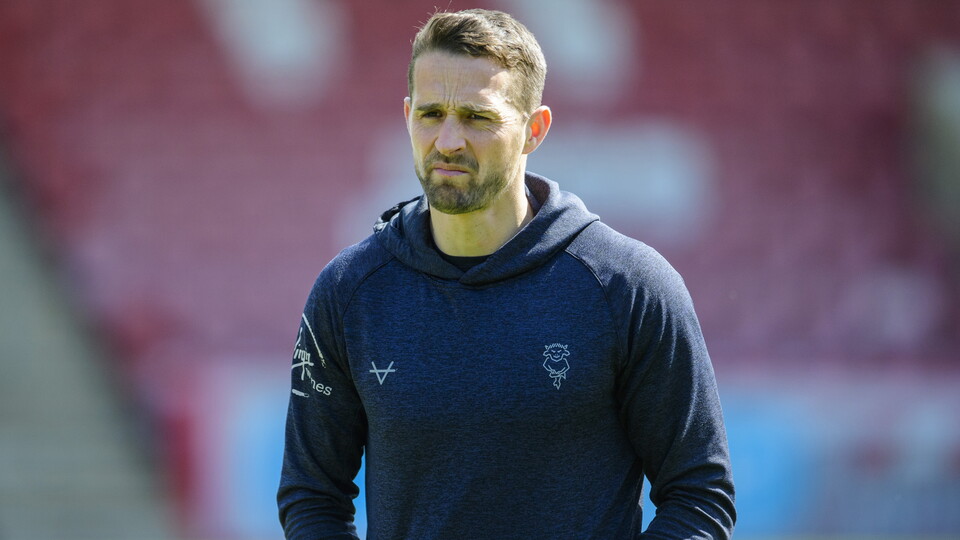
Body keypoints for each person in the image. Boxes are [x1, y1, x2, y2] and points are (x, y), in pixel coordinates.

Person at [278, 8, 735, 539]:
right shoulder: (348, 293)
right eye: (431, 114)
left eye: (477, 118)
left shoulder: (629, 287)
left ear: (534, 130)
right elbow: (312, 497)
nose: (448, 141)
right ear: (407, 117)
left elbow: (698, 496)